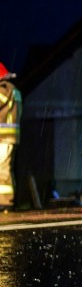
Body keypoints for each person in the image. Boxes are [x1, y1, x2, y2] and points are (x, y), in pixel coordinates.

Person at [0, 63, 22, 210]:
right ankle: (6, 201)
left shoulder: (4, 89)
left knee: (2, 169)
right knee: (5, 168)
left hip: (4, 137)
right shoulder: (15, 91)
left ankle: (5, 202)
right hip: (9, 136)